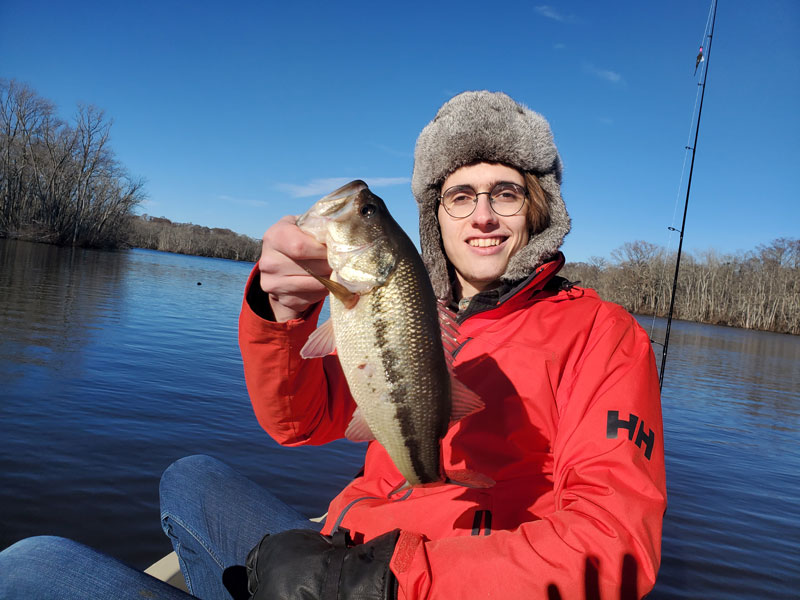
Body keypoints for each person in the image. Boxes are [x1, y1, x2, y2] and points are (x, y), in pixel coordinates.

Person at [0, 91, 666, 600]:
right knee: (190, 475)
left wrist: (384, 585)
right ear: (435, 216)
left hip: (422, 581)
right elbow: (300, 422)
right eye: (460, 195)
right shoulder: (408, 308)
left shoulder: (605, 337)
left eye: (506, 194)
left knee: (31, 566)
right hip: (348, 544)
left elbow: (614, 546)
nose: (483, 215)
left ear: (540, 210)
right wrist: (280, 313)